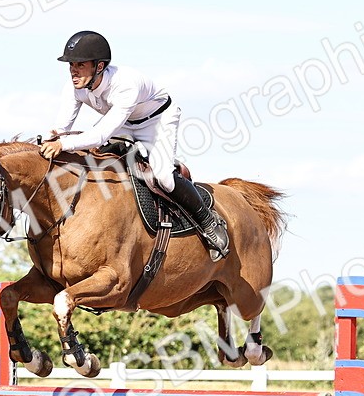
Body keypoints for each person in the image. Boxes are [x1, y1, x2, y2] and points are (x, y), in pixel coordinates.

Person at [40, 30, 230, 261]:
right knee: (91, 156)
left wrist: (64, 143)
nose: (73, 70)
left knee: (163, 177)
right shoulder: (74, 88)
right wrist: (49, 139)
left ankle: (208, 222)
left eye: (80, 64)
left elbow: (100, 133)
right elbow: (62, 127)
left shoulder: (125, 84)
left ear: (99, 67)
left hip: (157, 121)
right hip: (123, 123)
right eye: (71, 64)